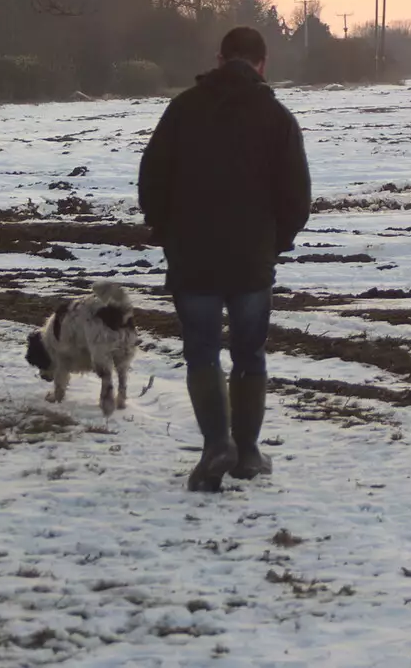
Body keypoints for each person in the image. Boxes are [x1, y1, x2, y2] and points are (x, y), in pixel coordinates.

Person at [138, 27, 311, 492]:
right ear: (263, 62)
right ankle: (248, 452)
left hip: (192, 257)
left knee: (201, 353)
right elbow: (297, 196)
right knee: (249, 354)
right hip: (251, 259)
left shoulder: (182, 110)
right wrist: (276, 242)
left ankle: (217, 445)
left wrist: (164, 230)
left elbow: (151, 177)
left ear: (219, 59)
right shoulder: (276, 117)